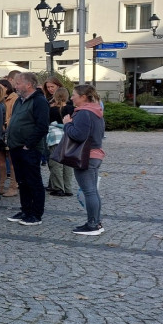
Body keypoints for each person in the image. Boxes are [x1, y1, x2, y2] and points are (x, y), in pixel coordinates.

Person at [5, 71, 50, 226]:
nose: (15, 86)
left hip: (29, 148)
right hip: (15, 146)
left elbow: (42, 126)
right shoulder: (19, 100)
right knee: (22, 181)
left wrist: (28, 145)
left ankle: (36, 214)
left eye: (18, 83)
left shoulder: (39, 101)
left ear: (28, 84)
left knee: (33, 181)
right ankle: (25, 209)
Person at [62, 84, 106, 235]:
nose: (71, 97)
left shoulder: (83, 113)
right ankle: (96, 222)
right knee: (92, 191)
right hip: (95, 154)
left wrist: (67, 125)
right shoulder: (96, 111)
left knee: (89, 192)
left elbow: (79, 135)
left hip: (85, 156)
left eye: (74, 95)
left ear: (83, 97)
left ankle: (93, 224)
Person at [47, 86, 76, 196]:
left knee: (56, 163)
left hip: (55, 138)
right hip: (69, 137)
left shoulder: (52, 110)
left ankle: (58, 188)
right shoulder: (71, 108)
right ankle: (68, 188)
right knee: (67, 163)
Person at [0, 79, 19, 196]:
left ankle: (13, 186)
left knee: (11, 161)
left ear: (6, 87)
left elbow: (13, 115)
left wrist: (5, 124)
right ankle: (1, 185)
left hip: (9, 131)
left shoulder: (14, 98)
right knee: (0, 160)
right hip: (0, 132)